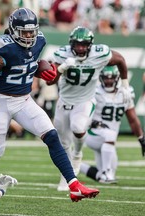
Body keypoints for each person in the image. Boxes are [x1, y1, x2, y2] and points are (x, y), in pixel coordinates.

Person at [0, 8, 100, 214]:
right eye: (24, 32)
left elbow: (31, 63)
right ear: (13, 30)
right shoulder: (2, 51)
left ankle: (74, 186)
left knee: (52, 136)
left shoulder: (40, 41)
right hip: (1, 103)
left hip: (25, 100)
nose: (29, 36)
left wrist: (42, 68)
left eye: (31, 31)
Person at [47, 26, 131, 191]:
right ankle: (66, 176)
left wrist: (126, 85)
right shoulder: (62, 54)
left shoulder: (100, 53)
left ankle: (77, 154)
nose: (80, 48)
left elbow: (120, 59)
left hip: (85, 100)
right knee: (63, 143)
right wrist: (62, 68)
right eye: (77, 45)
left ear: (90, 45)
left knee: (78, 128)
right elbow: (50, 81)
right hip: (64, 100)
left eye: (84, 44)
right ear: (71, 44)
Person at [80, 65, 145, 183]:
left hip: (108, 139)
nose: (108, 81)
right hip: (93, 133)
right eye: (106, 78)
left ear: (117, 78)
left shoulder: (125, 93)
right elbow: (83, 111)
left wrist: (141, 138)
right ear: (101, 78)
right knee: (110, 135)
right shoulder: (94, 92)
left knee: (110, 172)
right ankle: (106, 173)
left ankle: (74, 163)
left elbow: (132, 118)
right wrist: (91, 122)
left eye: (111, 78)